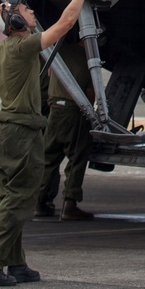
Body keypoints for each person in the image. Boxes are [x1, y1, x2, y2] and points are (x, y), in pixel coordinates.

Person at [0, 0, 99, 286]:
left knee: (9, 194)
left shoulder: (1, 51)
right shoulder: (22, 46)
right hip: (23, 131)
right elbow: (66, 24)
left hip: (8, 130)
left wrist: (13, 92)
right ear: (15, 22)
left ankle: (16, 264)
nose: (31, 12)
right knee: (22, 197)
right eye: (26, 10)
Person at [34, 25, 95, 221]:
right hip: (73, 112)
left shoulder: (59, 52)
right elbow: (90, 93)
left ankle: (40, 203)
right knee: (76, 158)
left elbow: (51, 75)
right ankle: (70, 204)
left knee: (49, 157)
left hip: (54, 110)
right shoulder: (89, 60)